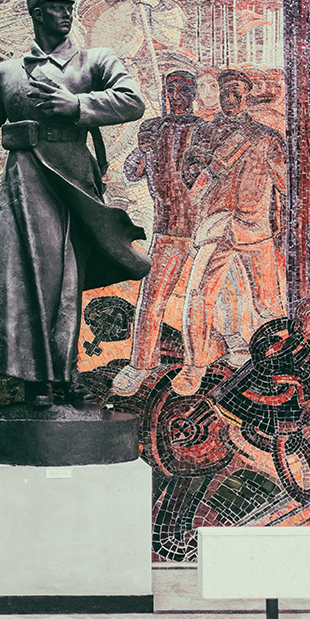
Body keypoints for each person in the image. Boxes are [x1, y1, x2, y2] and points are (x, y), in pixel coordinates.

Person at [0, 0, 151, 406]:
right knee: (27, 277)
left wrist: (77, 105)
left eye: (69, 7)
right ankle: (36, 379)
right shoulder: (4, 73)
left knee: (66, 279)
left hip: (73, 180)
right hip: (24, 181)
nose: (67, 14)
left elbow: (132, 100)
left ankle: (64, 372)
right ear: (38, 14)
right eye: (58, 7)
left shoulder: (94, 61)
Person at [172, 69, 286, 396]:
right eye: (226, 94)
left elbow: (286, 185)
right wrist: (202, 166)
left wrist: (281, 226)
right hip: (216, 225)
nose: (231, 100)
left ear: (247, 96)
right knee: (199, 293)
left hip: (257, 229)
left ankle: (276, 363)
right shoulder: (205, 132)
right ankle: (194, 366)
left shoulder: (267, 137)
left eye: (237, 94)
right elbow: (189, 178)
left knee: (269, 304)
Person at [112, 70, 201, 396]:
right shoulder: (153, 128)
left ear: (194, 94)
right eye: (171, 89)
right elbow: (131, 172)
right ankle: (142, 363)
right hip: (168, 228)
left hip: (206, 228)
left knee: (206, 301)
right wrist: (141, 149)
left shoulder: (205, 129)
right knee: (151, 300)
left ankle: (203, 362)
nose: (176, 96)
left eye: (184, 89)